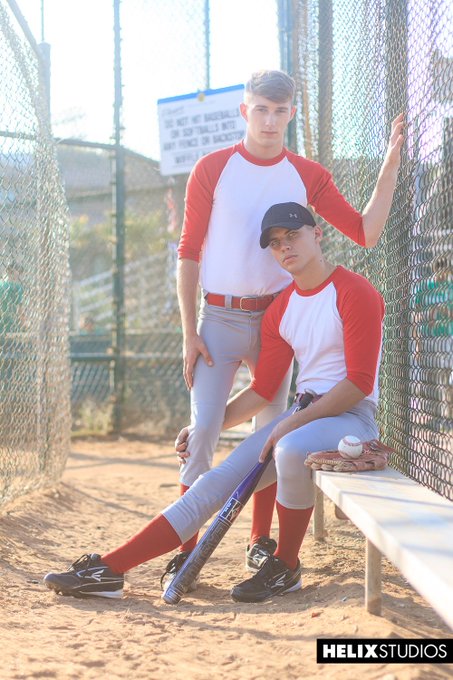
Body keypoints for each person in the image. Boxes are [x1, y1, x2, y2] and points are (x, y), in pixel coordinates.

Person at [43, 201, 384, 603]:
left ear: (317, 235)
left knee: (289, 448)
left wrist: (292, 422)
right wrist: (209, 425)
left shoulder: (354, 291)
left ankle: (286, 566)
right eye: (275, 243)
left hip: (351, 418)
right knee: (212, 484)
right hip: (303, 415)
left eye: (293, 235)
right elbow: (262, 390)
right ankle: (111, 569)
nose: (285, 247)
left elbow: (359, 383)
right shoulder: (282, 308)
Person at [171, 68, 403, 581]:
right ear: (245, 110)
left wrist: (389, 165)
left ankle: (260, 543)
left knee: (271, 430)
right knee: (204, 429)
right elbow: (188, 253)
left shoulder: (307, 173)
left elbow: (364, 232)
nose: (270, 120)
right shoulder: (212, 168)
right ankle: (185, 548)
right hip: (220, 317)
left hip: (276, 319)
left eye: (280, 111)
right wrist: (189, 332)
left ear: (291, 113)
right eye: (261, 109)